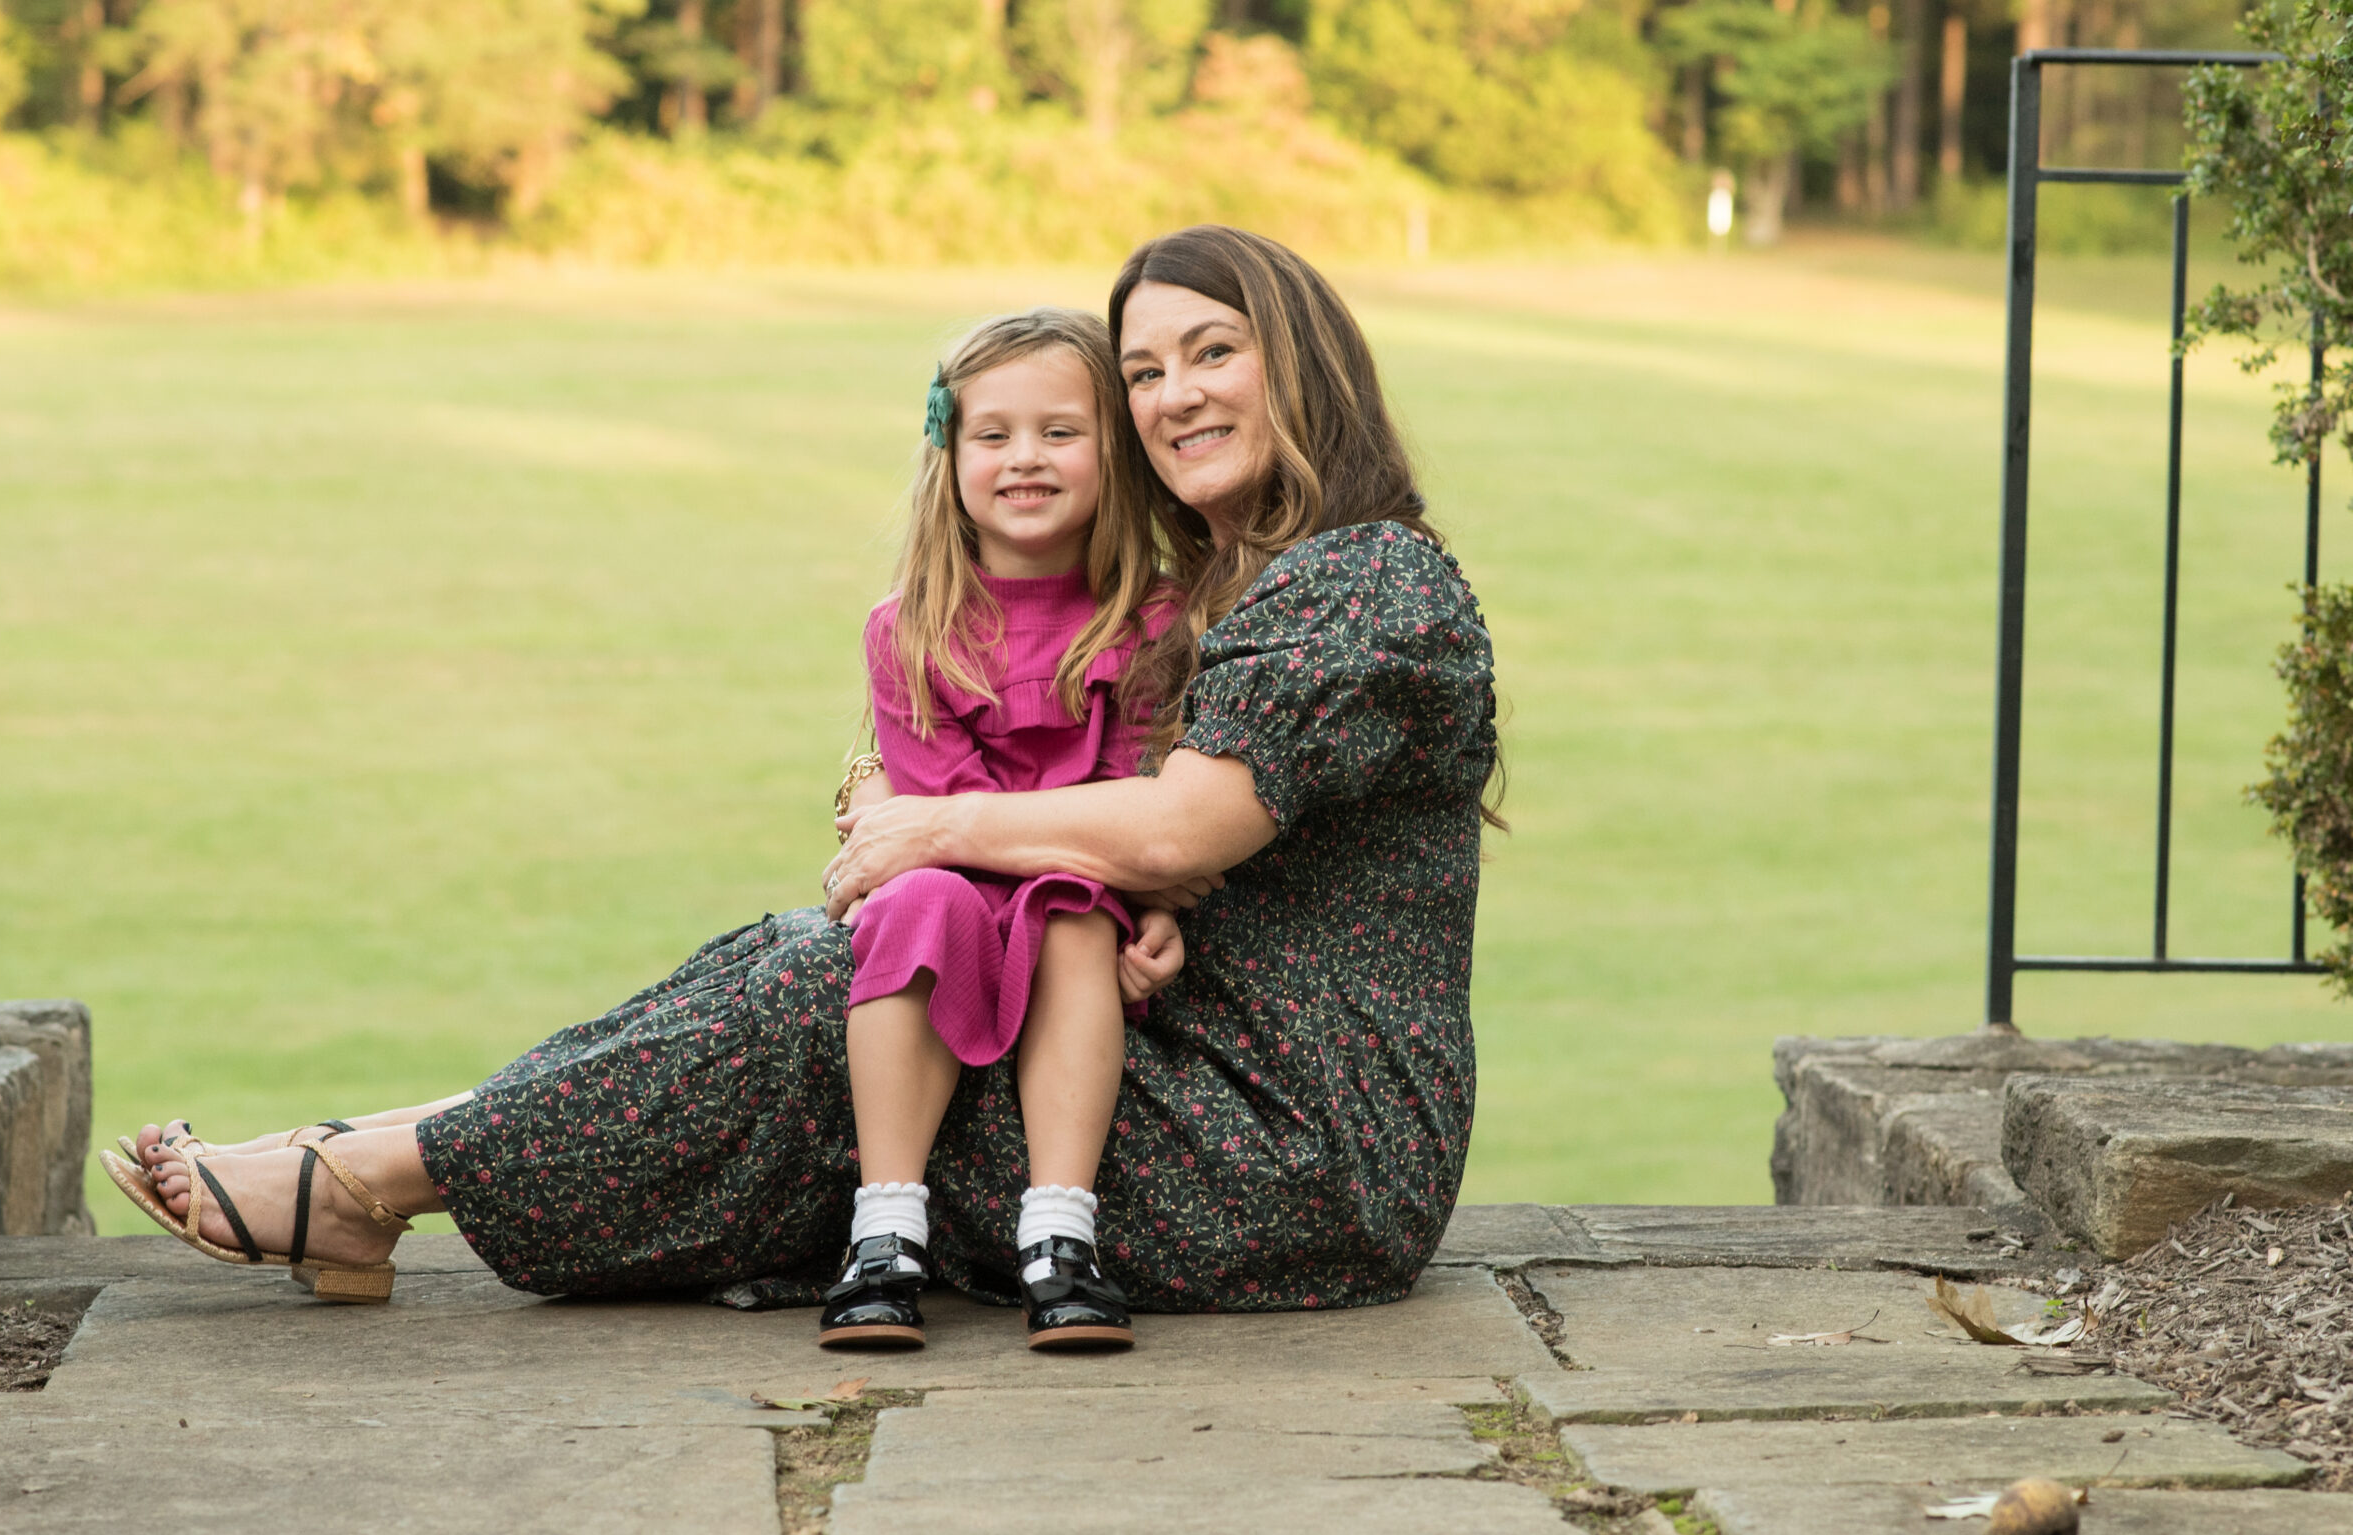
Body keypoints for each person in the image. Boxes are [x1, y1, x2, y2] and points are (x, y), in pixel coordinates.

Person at [107, 224, 1497, 1325]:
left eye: (1213, 353)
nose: (1175, 395)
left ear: (1303, 361)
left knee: (818, 1004)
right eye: (1143, 371)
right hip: (1184, 1073)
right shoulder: (1241, 581)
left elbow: (1190, 823)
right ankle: (373, 1153)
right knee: (813, 963)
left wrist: (939, 825)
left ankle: (368, 1178)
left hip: (1290, 1158)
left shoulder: (1369, 579)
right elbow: (1173, 833)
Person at [826, 307, 1182, 1355]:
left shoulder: (1152, 621)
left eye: (1059, 432)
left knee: (1070, 917)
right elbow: (928, 816)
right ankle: (886, 1228)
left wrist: (1151, 904)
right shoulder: (910, 626)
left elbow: (1139, 795)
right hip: (955, 882)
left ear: (1112, 452)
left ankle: (1059, 1234)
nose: (1025, 458)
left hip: (1083, 882)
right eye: (993, 434)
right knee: (918, 900)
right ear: (951, 452)